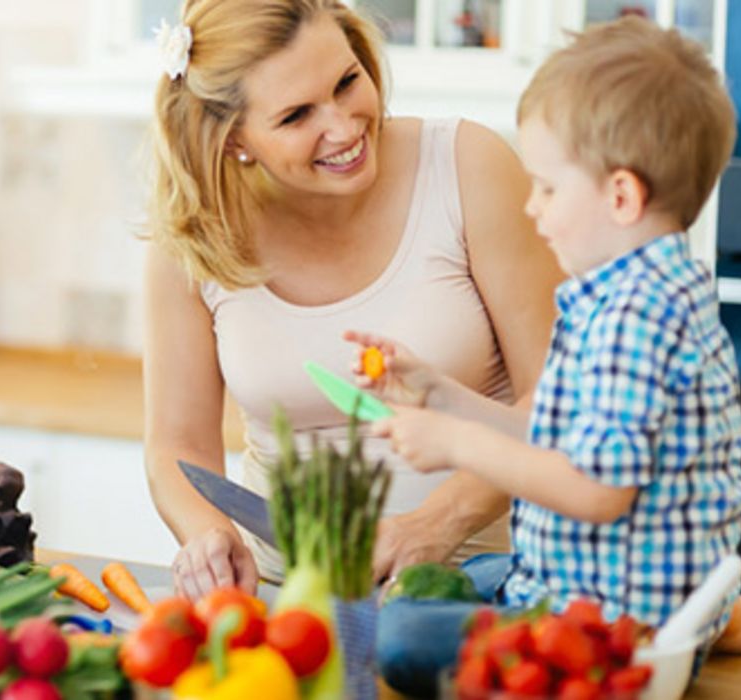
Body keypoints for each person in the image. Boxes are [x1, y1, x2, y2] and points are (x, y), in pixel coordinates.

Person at [355, 17, 741, 694]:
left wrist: (454, 442)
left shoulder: (635, 318)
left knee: (397, 635)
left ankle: (690, 638)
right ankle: (708, 624)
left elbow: (597, 492)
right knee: (450, 584)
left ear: (620, 195)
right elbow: (561, 436)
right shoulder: (632, 294)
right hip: (581, 585)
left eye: (545, 186)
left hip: (611, 634)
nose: (530, 207)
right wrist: (439, 395)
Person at [142, 0, 561, 602]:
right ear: (235, 137)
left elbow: (557, 400)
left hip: (486, 589)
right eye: (296, 116)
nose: (343, 127)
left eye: (346, 82)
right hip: (290, 600)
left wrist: (436, 524)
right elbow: (177, 446)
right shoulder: (195, 235)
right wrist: (208, 532)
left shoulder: (468, 166)